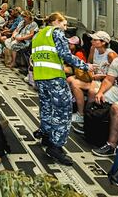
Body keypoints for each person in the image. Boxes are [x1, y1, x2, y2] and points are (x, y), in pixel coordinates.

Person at [31, 12, 93, 166]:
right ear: (56, 22)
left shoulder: (37, 35)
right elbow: (65, 54)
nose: (65, 28)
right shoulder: (56, 32)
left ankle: (46, 134)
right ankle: (56, 146)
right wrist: (86, 66)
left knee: (46, 107)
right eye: (64, 24)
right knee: (62, 112)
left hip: (40, 77)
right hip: (55, 79)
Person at [70, 31, 118, 132]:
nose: (92, 41)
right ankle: (78, 110)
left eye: (95, 40)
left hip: (105, 81)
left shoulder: (111, 55)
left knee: (86, 88)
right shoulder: (93, 49)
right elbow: (89, 63)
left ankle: (84, 116)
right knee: (70, 79)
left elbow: (116, 74)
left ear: (103, 42)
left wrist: (101, 76)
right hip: (94, 78)